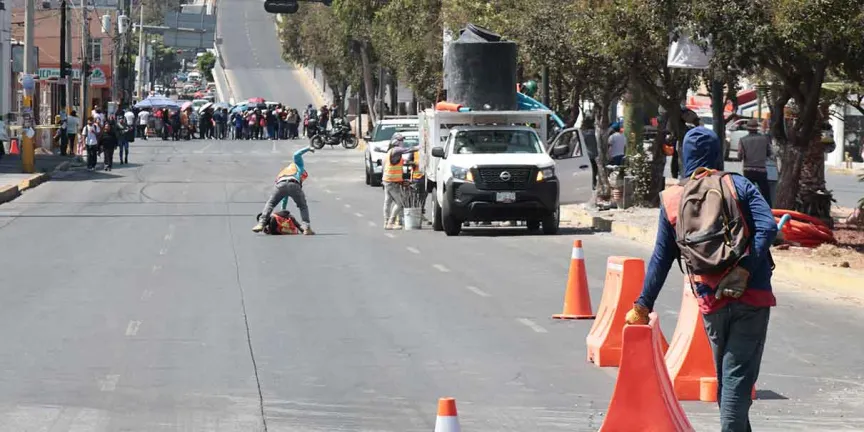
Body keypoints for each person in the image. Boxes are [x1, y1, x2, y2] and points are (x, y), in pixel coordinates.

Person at [625, 126, 777, 432]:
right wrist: (745, 268)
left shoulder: (673, 200)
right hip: (751, 295)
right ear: (717, 155)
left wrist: (643, 305)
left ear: (684, 158)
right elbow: (769, 227)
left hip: (709, 299)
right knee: (737, 377)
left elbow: (661, 257)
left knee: (728, 377)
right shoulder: (738, 185)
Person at [252, 146, 316, 235]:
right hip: (293, 184)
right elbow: (296, 154)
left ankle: (261, 223)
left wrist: (283, 213)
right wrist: (308, 148)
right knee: (302, 206)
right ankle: (306, 228)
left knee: (270, 203)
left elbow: (284, 197)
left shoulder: (284, 171)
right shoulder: (299, 165)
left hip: (280, 184)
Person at [738, 118, 773, 207]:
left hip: (748, 170)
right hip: (761, 170)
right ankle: (769, 210)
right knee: (765, 193)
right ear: (757, 128)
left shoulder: (743, 140)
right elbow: (769, 153)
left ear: (747, 129)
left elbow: (740, 156)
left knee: (747, 193)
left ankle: (747, 210)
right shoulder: (765, 139)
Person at [382, 133, 414, 229]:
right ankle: (391, 222)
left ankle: (386, 222)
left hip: (388, 180)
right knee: (400, 203)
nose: (402, 142)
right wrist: (422, 146)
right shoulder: (396, 150)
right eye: (400, 140)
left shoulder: (390, 152)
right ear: (395, 141)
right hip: (391, 181)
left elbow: (385, 167)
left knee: (387, 202)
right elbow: (408, 149)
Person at [581, 117, 599, 190]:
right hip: (595, 155)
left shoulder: (585, 134)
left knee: (590, 170)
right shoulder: (595, 132)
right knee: (594, 170)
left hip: (588, 155)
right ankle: (594, 183)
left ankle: (591, 184)